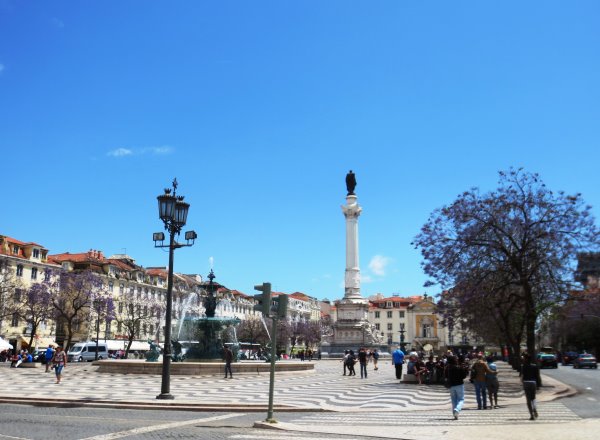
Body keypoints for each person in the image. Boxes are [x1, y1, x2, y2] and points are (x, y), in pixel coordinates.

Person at [445, 355, 468, 420]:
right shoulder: (459, 367)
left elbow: (446, 376)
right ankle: (457, 410)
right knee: (461, 399)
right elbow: (464, 376)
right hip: (459, 385)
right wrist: (465, 370)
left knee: (454, 400)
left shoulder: (447, 368)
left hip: (451, 386)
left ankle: (455, 415)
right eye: (456, 359)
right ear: (454, 360)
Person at [521, 353, 542, 420]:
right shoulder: (535, 366)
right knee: (533, 398)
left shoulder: (523, 366)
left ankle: (531, 415)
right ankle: (534, 408)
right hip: (533, 383)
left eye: (524, 358)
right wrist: (539, 385)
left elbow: (522, 376)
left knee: (528, 400)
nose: (523, 359)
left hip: (526, 382)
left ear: (526, 359)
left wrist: (522, 382)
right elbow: (537, 376)